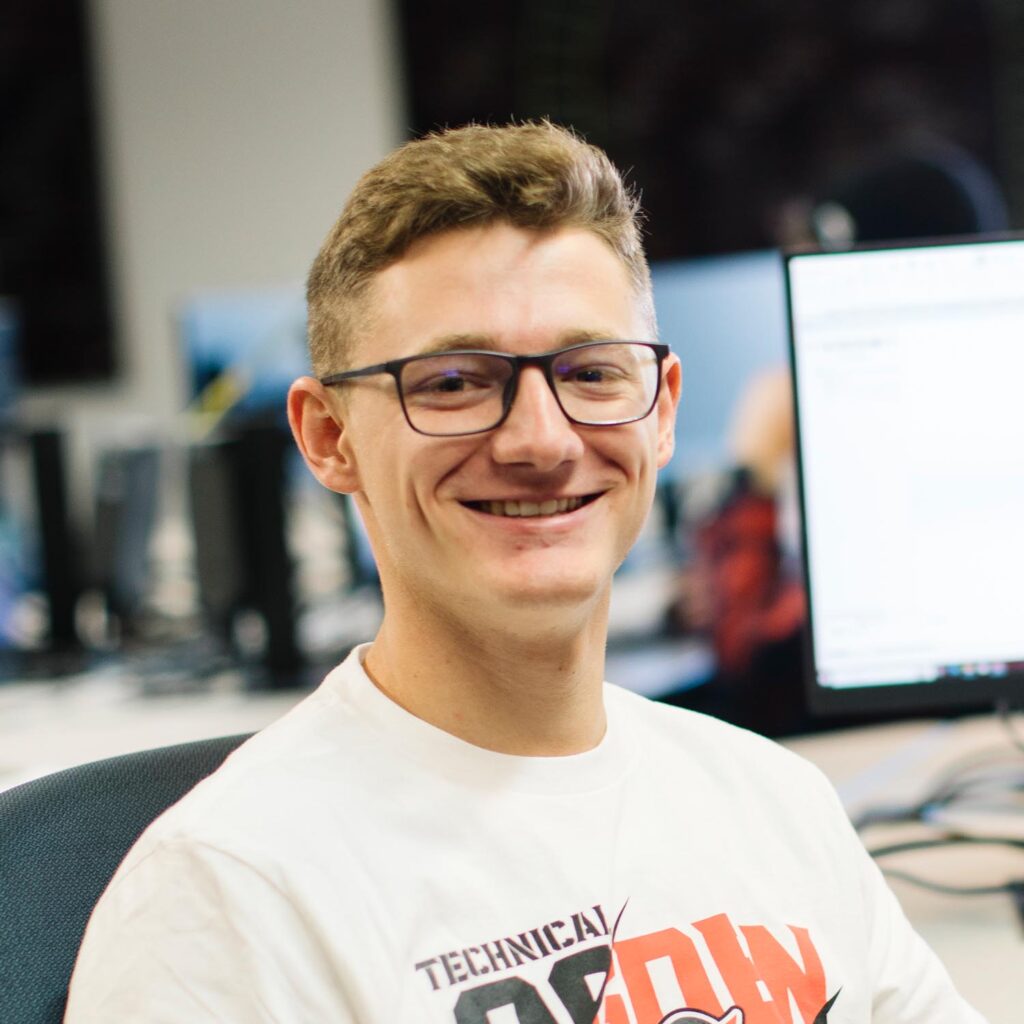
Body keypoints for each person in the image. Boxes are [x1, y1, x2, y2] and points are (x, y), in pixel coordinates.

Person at [65, 122, 984, 1023]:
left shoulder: (775, 800)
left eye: (591, 372)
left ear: (661, 412)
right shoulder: (228, 899)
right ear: (328, 437)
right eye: (454, 382)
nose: (542, 440)